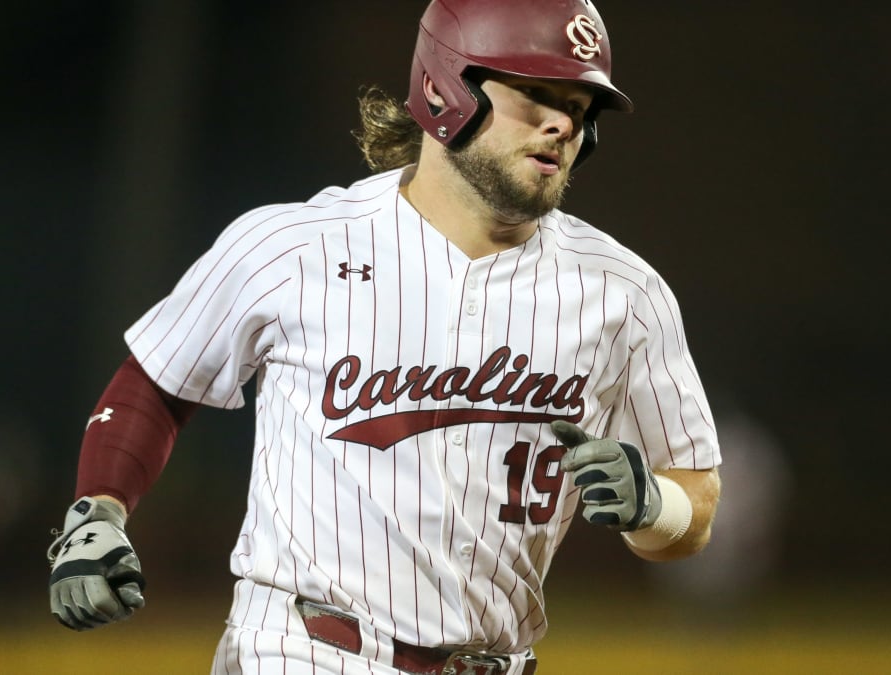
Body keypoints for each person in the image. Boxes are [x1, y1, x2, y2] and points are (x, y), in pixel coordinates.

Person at [46, 1, 722, 673]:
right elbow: (158, 382)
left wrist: (652, 505)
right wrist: (98, 510)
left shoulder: (623, 292)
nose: (562, 124)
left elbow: (695, 499)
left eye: (581, 105)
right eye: (537, 94)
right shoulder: (294, 243)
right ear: (443, 90)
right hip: (301, 652)